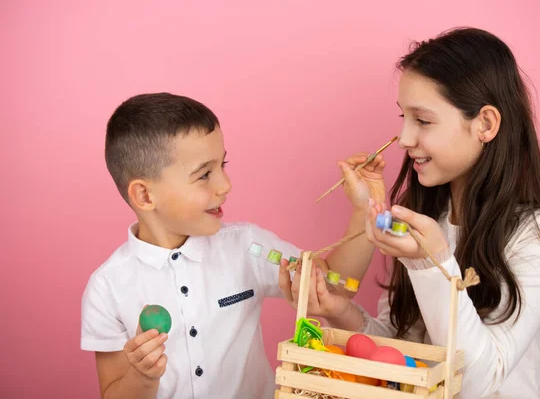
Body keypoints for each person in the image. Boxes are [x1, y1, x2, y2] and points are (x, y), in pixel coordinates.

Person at [279, 27, 540, 398]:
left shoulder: (538, 228)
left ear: (485, 124)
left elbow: (478, 381)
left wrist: (431, 264)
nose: (405, 138)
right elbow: (408, 356)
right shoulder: (422, 213)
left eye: (423, 121)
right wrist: (337, 310)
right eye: (403, 118)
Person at [80, 92, 385, 398]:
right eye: (204, 175)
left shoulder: (247, 248)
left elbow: (336, 286)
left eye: (222, 165)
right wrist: (144, 376)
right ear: (145, 196)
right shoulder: (107, 287)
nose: (226, 185)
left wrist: (363, 209)